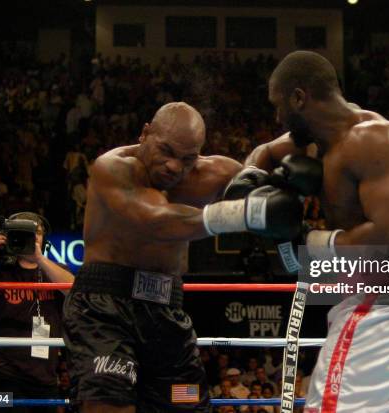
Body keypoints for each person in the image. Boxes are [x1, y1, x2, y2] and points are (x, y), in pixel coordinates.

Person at [240, 50, 389, 411]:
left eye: (278, 106)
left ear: (298, 98)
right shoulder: (316, 140)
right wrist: (249, 183)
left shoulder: (376, 140)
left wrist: (310, 240)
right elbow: (264, 152)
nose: (277, 117)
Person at [62, 102, 304, 413]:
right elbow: (157, 221)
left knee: (186, 403)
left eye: (187, 159)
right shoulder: (112, 168)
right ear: (145, 133)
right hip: (104, 307)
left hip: (166, 312)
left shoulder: (214, 172)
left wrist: (315, 130)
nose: (174, 166)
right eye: (166, 151)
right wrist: (241, 214)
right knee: (110, 405)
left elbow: (266, 159)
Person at [0, 212, 74, 413]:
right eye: (25, 232)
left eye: (37, 232)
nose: (33, 236)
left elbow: (75, 292)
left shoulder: (54, 270)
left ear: (43, 239)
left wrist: (39, 258)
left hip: (44, 375)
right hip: (3, 371)